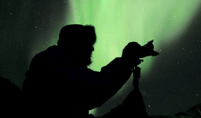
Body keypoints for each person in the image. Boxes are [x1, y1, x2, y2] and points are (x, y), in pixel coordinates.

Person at [22, 24, 158, 117]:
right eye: (88, 44)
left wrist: (127, 60)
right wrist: (127, 60)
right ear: (76, 44)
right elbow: (96, 88)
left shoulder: (58, 61)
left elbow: (96, 83)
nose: (92, 49)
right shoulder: (55, 63)